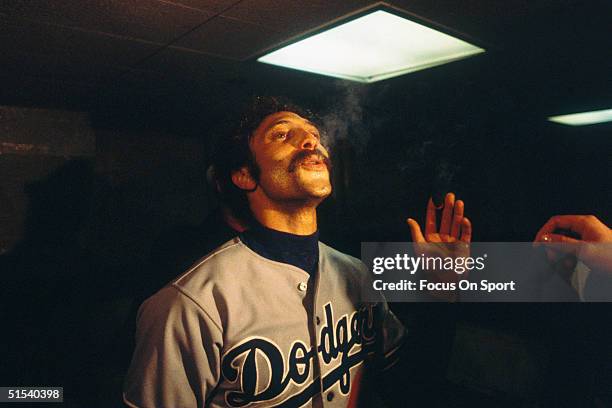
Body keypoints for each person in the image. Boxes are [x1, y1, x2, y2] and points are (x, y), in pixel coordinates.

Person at [125, 96, 468, 407]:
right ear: (245, 175)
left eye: (314, 135)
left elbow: (410, 389)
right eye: (281, 135)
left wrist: (441, 293)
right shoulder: (190, 304)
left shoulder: (356, 274)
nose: (311, 142)